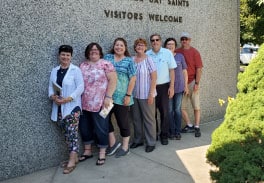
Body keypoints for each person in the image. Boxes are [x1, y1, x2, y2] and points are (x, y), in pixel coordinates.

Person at [79, 43, 117, 165]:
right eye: (91, 50)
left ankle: (102, 152)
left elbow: (113, 80)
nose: (93, 51)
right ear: (87, 52)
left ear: (100, 52)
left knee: (101, 127)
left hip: (101, 102)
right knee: (85, 127)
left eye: (96, 49)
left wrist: (108, 96)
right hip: (83, 103)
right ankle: (88, 151)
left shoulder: (106, 64)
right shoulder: (83, 65)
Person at [48, 45, 84, 174]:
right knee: (66, 134)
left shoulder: (76, 70)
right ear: (59, 56)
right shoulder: (55, 70)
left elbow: (80, 87)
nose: (65, 57)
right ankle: (73, 157)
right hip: (58, 107)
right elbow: (51, 87)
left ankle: (72, 160)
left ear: (71, 57)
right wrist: (53, 97)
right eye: (63, 54)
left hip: (72, 107)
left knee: (72, 133)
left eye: (68, 55)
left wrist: (68, 99)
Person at [104, 37, 137, 158]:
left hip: (122, 98)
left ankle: (125, 146)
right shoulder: (107, 58)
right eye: (117, 45)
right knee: (104, 119)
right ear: (114, 46)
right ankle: (113, 144)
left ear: (125, 48)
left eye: (121, 45)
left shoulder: (129, 61)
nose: (119, 47)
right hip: (108, 97)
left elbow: (133, 78)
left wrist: (128, 95)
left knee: (123, 122)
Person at [146, 34, 177, 145]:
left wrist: (171, 87)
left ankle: (164, 135)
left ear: (160, 41)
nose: (155, 42)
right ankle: (154, 134)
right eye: (152, 40)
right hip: (150, 87)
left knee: (165, 112)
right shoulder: (147, 54)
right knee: (151, 113)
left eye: (157, 40)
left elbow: (172, 71)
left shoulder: (167, 53)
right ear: (151, 42)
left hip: (164, 87)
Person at [130, 38, 157, 153]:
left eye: (142, 45)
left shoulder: (149, 60)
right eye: (137, 45)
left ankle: (151, 142)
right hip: (134, 95)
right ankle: (138, 140)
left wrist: (151, 94)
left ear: (145, 47)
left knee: (149, 119)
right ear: (135, 47)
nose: (140, 47)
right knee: (136, 119)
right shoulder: (131, 59)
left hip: (147, 95)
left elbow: (154, 77)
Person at [176, 32, 203, 137]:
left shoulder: (195, 52)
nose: (184, 41)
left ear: (189, 40)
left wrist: (197, 83)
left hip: (192, 82)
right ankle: (189, 125)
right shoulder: (177, 51)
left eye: (186, 39)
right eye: (182, 39)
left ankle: (197, 126)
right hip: (181, 84)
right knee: (181, 107)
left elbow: (199, 69)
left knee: (196, 106)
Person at [164, 38, 188, 140]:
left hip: (179, 87)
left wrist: (186, 86)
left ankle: (177, 131)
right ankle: (171, 131)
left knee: (177, 110)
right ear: (165, 46)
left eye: (172, 44)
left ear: (175, 46)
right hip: (167, 87)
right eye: (168, 44)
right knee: (169, 111)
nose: (170, 46)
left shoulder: (180, 56)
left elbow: (184, 72)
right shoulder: (163, 56)